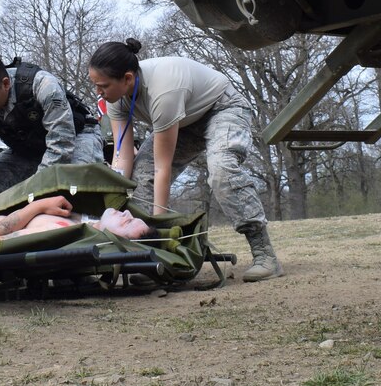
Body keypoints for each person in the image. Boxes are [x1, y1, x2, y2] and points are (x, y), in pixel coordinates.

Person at [87, 38, 283, 282]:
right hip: (186, 120)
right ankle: (147, 258)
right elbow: (122, 158)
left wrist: (160, 229)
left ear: (127, 79)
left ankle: (265, 255)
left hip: (223, 108)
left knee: (222, 171)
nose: (98, 92)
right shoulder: (114, 100)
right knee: (137, 178)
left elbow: (162, 168)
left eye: (103, 86)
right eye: (95, 85)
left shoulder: (163, 92)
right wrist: (111, 209)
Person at [0, 51, 104, 204]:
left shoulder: (44, 86)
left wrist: (36, 197)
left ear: (5, 83)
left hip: (76, 138)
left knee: (73, 184)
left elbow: (62, 142)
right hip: (28, 151)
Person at [0, 196, 155, 251]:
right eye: (133, 216)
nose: (127, 214)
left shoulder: (63, 233)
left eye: (127, 223)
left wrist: (36, 206)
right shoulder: (83, 223)